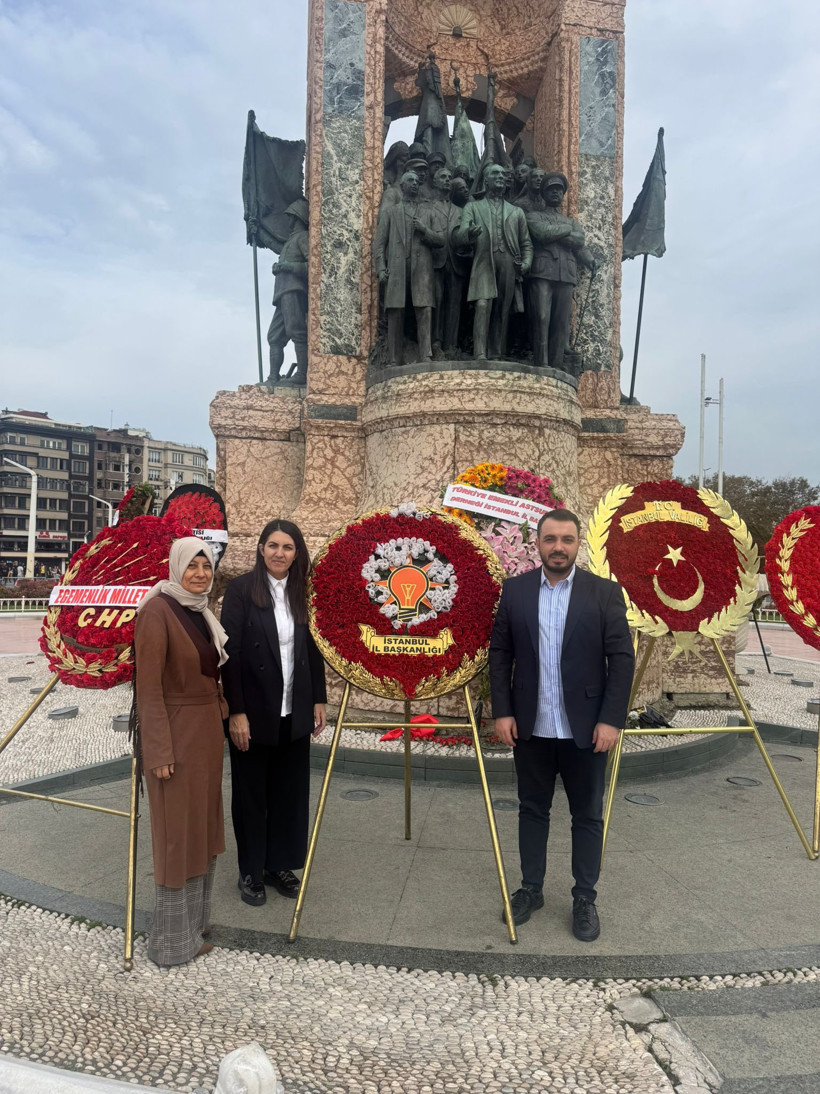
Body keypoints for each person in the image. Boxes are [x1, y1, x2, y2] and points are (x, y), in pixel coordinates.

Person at [488, 508, 634, 941]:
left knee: (587, 814)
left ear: (577, 544)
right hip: (530, 726)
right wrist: (503, 710)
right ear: (538, 543)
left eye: (566, 539)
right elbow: (500, 654)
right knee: (532, 809)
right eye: (550, 539)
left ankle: (584, 898)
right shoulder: (514, 592)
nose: (558, 547)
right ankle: (530, 889)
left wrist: (610, 720)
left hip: (587, 730)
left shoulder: (604, 593)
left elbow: (621, 660)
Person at [221, 519, 327, 907]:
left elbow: (312, 648)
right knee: (251, 795)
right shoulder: (241, 590)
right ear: (261, 549)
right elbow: (228, 656)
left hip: (293, 709)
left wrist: (319, 697)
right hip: (254, 711)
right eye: (273, 546)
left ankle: (278, 863)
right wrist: (236, 712)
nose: (279, 553)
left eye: (287, 547)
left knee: (289, 792)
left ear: (297, 553)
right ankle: (250, 870)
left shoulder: (303, 592)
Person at [133, 538, 229, 966]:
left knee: (201, 830)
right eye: (192, 565)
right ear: (175, 567)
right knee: (176, 835)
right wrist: (157, 751)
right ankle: (170, 943)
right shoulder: (157, 611)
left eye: (206, 566)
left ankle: (194, 925)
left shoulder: (200, 611)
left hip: (204, 735)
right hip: (173, 736)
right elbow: (148, 689)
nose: (200, 573)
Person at [454, 162, 532, 360]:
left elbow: (526, 244)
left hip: (508, 262)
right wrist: (469, 234)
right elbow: (459, 235)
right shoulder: (473, 207)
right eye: (495, 174)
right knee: (482, 304)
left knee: (502, 309)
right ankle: (479, 352)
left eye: (502, 174)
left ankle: (496, 353)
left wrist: (525, 264)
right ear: (486, 181)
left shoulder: (516, 212)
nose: (500, 176)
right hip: (483, 260)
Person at [525, 172, 595, 372]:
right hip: (543, 271)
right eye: (550, 190)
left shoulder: (571, 222)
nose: (555, 193)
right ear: (543, 193)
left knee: (560, 321)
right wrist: (565, 231)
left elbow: (579, 243)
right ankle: (541, 362)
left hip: (566, 274)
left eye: (558, 190)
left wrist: (589, 259)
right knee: (541, 316)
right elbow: (542, 234)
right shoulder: (534, 216)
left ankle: (555, 365)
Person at [373, 170, 444, 367]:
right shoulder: (390, 212)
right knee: (395, 312)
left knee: (424, 310)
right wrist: (380, 269)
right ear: (402, 186)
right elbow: (379, 244)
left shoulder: (428, 212)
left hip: (422, 269)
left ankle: (425, 355)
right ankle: (394, 358)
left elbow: (440, 239)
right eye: (409, 181)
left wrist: (424, 230)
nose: (414, 183)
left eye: (416, 181)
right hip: (396, 269)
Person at [266, 198, 309, 386]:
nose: (288, 221)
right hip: (282, 293)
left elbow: (313, 265)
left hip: (294, 289)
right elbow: (272, 242)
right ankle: (273, 377)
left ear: (296, 217)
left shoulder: (303, 237)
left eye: (290, 217)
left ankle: (302, 374)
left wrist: (287, 267)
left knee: (296, 331)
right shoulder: (290, 241)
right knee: (274, 336)